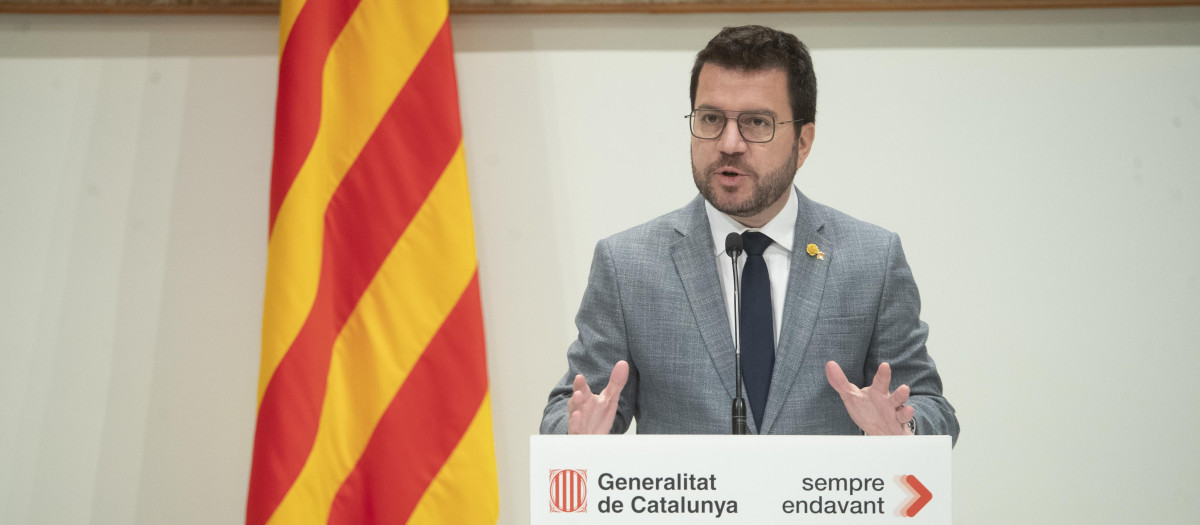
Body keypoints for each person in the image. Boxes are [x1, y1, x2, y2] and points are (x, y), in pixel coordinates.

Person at [539, 25, 958, 442]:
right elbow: (570, 407)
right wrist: (576, 434)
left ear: (803, 141)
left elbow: (931, 407)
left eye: (757, 122)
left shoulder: (871, 259)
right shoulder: (628, 264)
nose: (729, 143)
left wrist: (904, 427)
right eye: (711, 119)